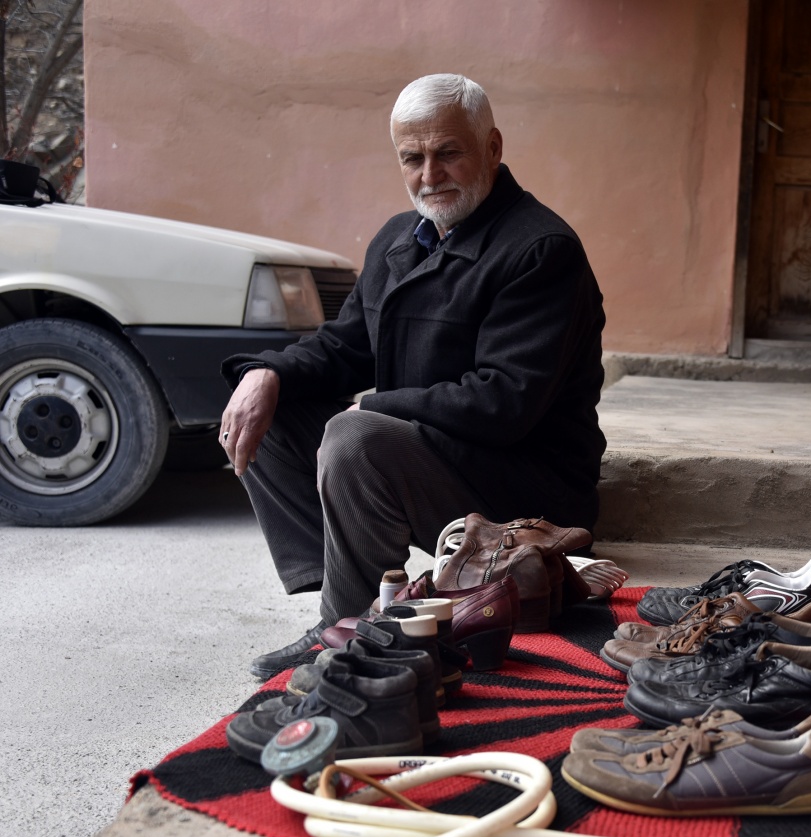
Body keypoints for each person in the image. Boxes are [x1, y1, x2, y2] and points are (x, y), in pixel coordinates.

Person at [219, 74, 607, 679]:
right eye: (412, 158)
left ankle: (352, 634)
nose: (430, 175)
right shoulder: (397, 240)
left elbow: (506, 402)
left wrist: (376, 408)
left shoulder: (540, 249)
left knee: (356, 435)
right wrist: (266, 373)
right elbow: (344, 347)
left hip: (523, 490)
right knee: (271, 409)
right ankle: (358, 604)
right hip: (438, 461)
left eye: (448, 152)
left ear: (492, 148)